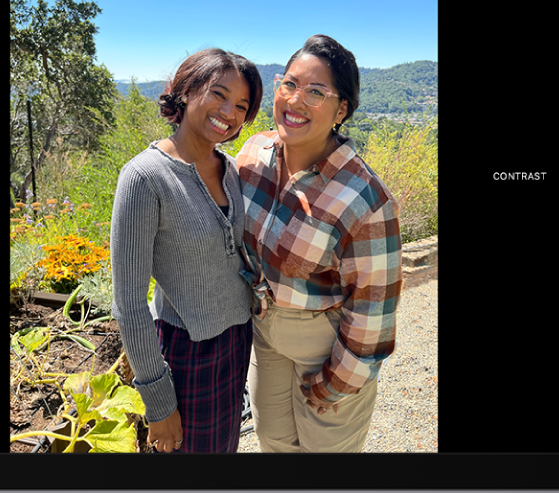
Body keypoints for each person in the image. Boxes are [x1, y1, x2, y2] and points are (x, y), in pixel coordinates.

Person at [236, 34, 402, 453]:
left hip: (324, 342)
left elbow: (372, 309)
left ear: (341, 109)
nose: (295, 100)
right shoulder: (254, 155)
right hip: (265, 331)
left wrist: (336, 384)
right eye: (289, 84)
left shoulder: (363, 197)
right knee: (272, 439)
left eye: (316, 92)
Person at [111, 48, 263, 453]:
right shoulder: (144, 177)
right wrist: (158, 403)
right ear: (186, 91)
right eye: (218, 94)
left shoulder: (229, 169)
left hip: (236, 342)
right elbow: (128, 304)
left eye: (241, 106)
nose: (229, 112)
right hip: (186, 352)